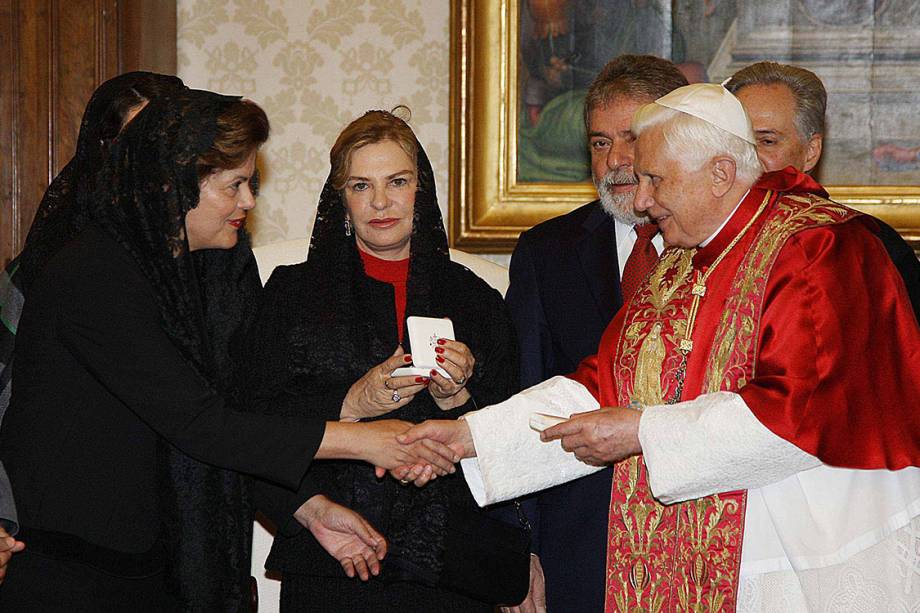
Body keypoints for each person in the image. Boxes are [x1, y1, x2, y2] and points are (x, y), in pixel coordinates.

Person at [401, 83, 920, 611]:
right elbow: (601, 386)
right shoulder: (678, 260)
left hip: (804, 550)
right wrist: (470, 438)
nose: (641, 200)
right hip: (695, 550)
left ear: (720, 173)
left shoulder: (819, 247)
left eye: (654, 179)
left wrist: (641, 431)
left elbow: (801, 414)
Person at [0, 91, 458, 611]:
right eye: (234, 185)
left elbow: (236, 421)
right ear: (173, 186)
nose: (249, 202)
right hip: (72, 577)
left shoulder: (191, 273)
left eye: (251, 183)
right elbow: (204, 425)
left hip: (145, 570)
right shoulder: (94, 274)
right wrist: (367, 441)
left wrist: (307, 510)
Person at [235, 109, 529, 612]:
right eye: (360, 185)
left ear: (423, 190)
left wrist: (457, 400)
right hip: (334, 558)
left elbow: (518, 434)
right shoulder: (290, 293)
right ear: (341, 200)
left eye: (397, 181)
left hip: (453, 564)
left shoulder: (479, 297)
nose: (380, 202)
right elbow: (246, 425)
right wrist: (350, 401)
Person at [503, 54, 684, 613]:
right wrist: (521, 550)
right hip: (579, 546)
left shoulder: (725, 249)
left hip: (703, 532)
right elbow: (522, 399)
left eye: (633, 139)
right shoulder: (547, 252)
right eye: (600, 143)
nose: (618, 162)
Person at [0, 71, 186, 578]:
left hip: (174, 550)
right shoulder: (43, 268)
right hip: (58, 547)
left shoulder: (211, 270)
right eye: (127, 144)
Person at [725, 61, 920, 321]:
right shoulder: (692, 237)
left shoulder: (864, 245)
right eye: (736, 140)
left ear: (811, 152)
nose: (746, 156)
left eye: (767, 141)